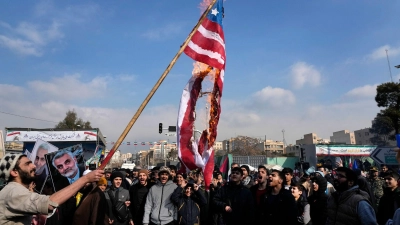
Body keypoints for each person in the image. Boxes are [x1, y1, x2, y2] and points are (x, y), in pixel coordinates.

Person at [0, 153, 103, 225]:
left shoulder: (16, 190)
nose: (34, 166)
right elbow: (50, 203)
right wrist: (85, 179)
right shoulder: (13, 192)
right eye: (27, 164)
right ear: (14, 172)